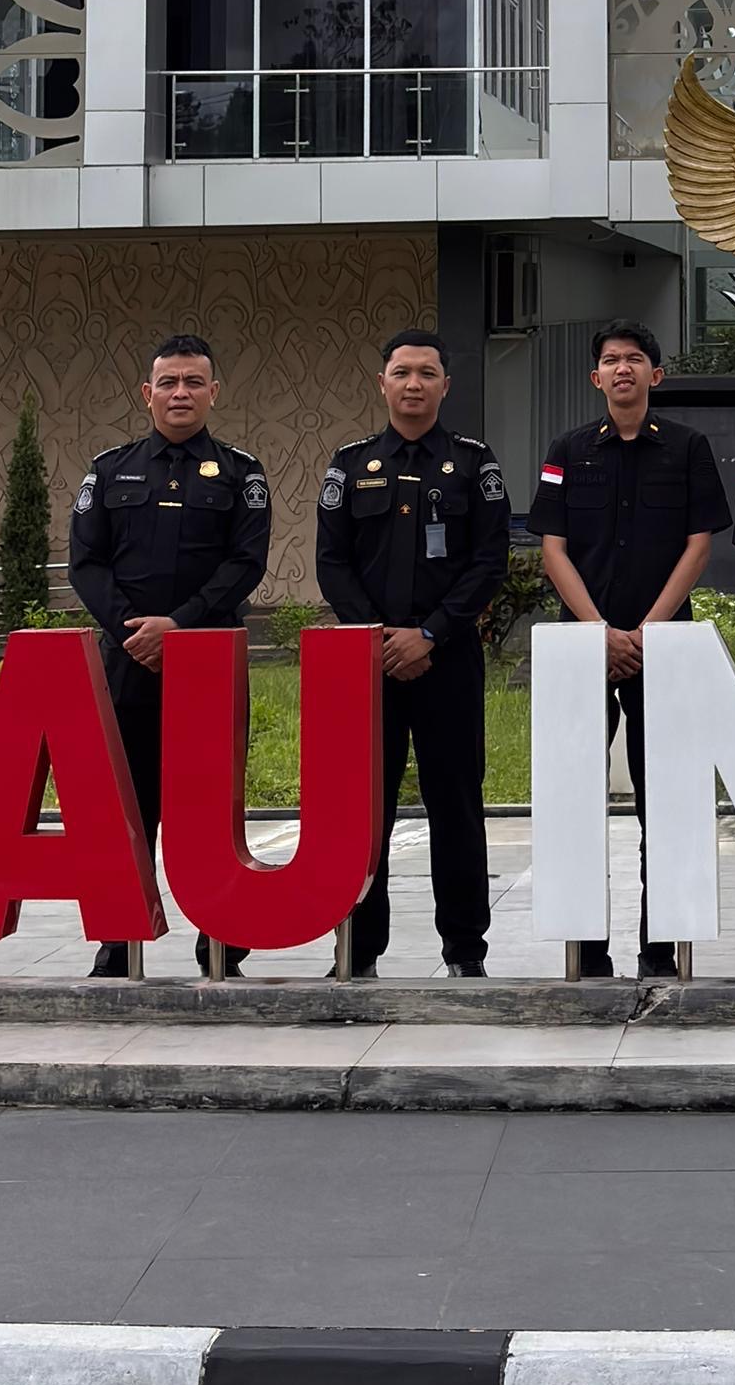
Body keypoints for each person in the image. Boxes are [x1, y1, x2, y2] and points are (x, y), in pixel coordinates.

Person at [66, 331, 275, 979]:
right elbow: (86, 563)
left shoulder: (242, 474)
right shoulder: (109, 470)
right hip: (128, 663)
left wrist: (178, 627)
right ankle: (118, 939)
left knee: (210, 807)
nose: (180, 393)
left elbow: (246, 564)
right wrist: (138, 631)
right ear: (146, 393)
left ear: (214, 392)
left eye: (193, 382)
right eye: (168, 382)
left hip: (207, 660)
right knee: (128, 807)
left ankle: (222, 937)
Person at [529, 320, 730, 981]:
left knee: (665, 800)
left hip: (663, 644)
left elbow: (700, 543)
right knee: (576, 801)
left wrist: (645, 629)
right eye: (611, 360)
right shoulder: (565, 451)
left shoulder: (688, 447)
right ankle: (586, 949)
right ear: (596, 377)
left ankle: (659, 946)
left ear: (655, 375)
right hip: (579, 650)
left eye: (635, 359)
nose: (622, 369)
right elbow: (552, 547)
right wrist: (600, 633)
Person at [315, 331, 510, 976]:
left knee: (456, 802)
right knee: (363, 808)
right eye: (402, 372)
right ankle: (360, 950)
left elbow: (488, 562)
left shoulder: (473, 463)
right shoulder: (350, 464)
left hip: (446, 658)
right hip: (366, 665)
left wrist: (428, 634)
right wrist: (377, 638)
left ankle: (464, 951)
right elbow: (332, 562)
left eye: (428, 372)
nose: (414, 384)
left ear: (445, 385)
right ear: (382, 382)